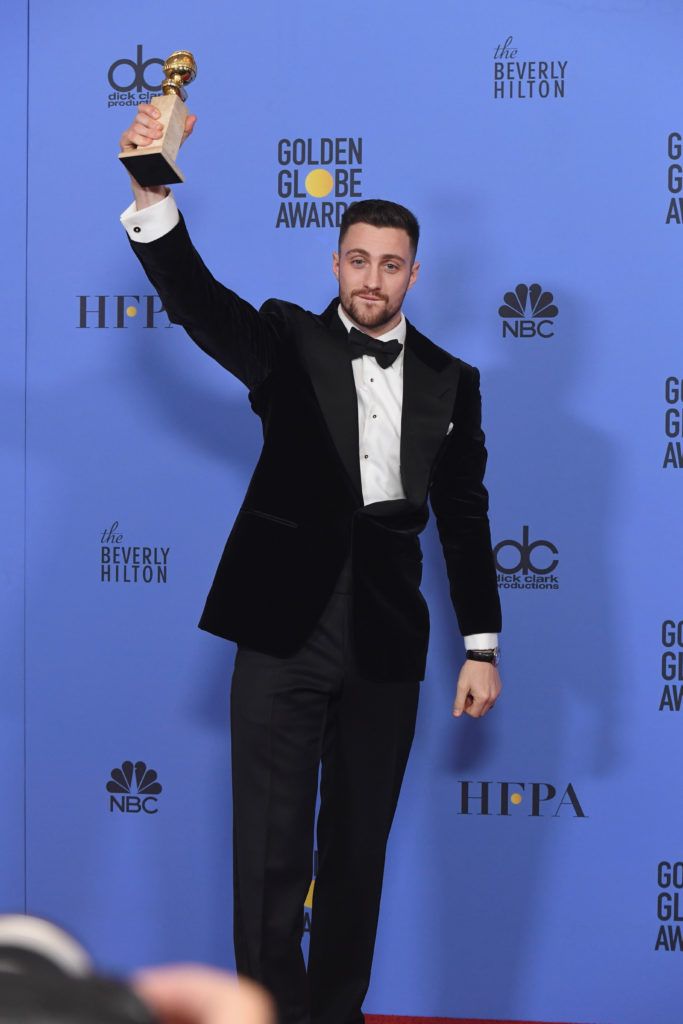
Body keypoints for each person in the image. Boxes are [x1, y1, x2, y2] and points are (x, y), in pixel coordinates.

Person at [118, 105, 503, 1024]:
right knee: (270, 850)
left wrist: (481, 644)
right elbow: (199, 303)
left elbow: (463, 515)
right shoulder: (285, 341)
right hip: (282, 625)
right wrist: (152, 198)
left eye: (391, 263)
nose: (372, 279)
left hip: (385, 635)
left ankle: (334, 1015)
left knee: (357, 849)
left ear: (414, 272)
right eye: (358, 259)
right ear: (336, 264)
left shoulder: (454, 380)